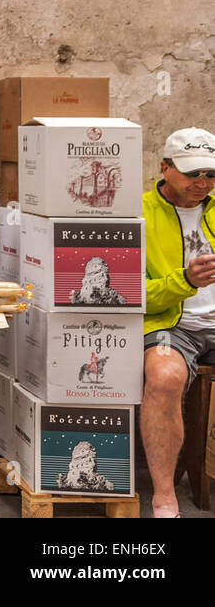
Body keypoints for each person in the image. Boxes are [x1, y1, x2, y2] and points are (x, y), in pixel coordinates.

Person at [140, 127, 215, 518]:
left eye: (210, 174)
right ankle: (165, 496)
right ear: (165, 168)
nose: (202, 183)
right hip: (171, 323)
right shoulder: (137, 214)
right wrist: (183, 281)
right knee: (165, 376)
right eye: (192, 173)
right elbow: (126, 292)